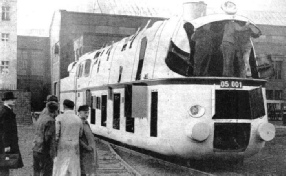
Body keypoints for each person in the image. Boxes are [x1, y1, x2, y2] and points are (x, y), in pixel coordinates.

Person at [53, 99, 83, 176]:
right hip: (75, 145)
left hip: (63, 144)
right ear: (73, 107)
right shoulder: (78, 119)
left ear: (64, 106)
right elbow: (80, 134)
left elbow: (56, 134)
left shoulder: (60, 117)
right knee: (74, 166)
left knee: (62, 166)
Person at [0, 92, 24, 176]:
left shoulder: (7, 111)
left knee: (6, 164)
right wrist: (6, 145)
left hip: (6, 143)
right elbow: (5, 130)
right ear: (6, 100)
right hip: (5, 144)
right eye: (12, 99)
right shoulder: (6, 113)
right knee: (4, 164)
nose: (14, 101)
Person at [33, 102, 59, 176]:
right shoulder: (50, 121)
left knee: (37, 171)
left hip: (36, 147)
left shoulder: (41, 118)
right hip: (44, 150)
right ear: (55, 111)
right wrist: (51, 153)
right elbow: (48, 137)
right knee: (46, 172)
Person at [78, 105, 98, 176]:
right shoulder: (79, 123)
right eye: (85, 113)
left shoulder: (86, 123)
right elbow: (78, 138)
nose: (87, 115)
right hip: (84, 152)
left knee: (90, 171)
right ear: (80, 113)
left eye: (88, 113)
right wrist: (86, 147)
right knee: (84, 171)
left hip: (90, 153)